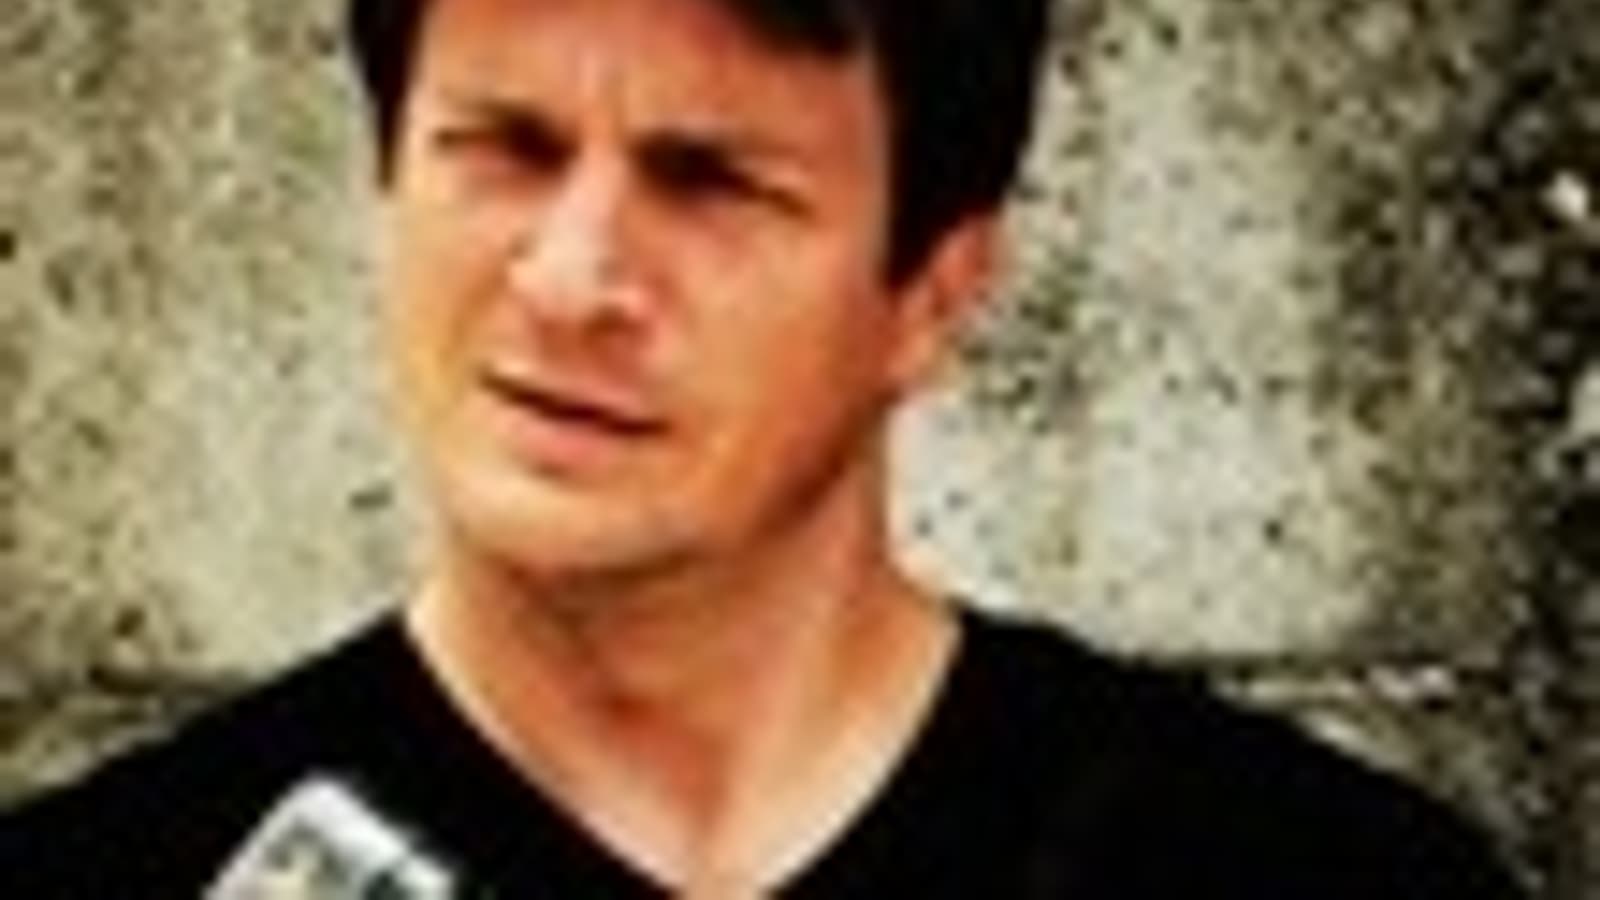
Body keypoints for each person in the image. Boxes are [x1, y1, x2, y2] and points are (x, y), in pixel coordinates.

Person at [0, 0, 1524, 896]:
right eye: (506, 148)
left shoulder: (1308, 875)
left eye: (710, 181)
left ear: (935, 296)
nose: (571, 280)